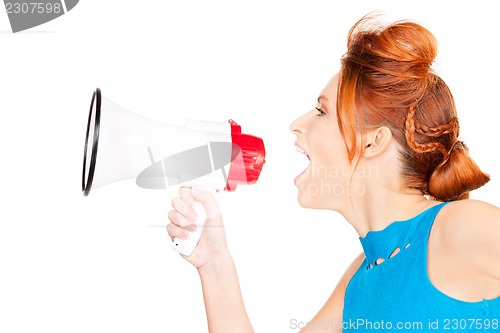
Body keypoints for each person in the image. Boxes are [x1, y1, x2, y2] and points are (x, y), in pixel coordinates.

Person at [167, 15, 500, 332]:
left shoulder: (459, 226)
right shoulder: (360, 278)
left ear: (373, 142)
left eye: (321, 111)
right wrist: (214, 263)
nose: (297, 124)